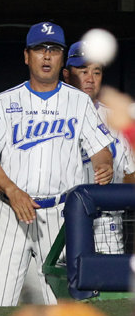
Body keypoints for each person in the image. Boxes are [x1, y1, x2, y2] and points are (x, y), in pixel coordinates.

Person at [0, 21, 114, 307]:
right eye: (39, 49)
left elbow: (101, 149)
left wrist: (104, 164)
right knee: (0, 302)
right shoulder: (4, 102)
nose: (46, 56)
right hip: (12, 210)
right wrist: (12, 191)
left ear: (62, 58)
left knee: (61, 304)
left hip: (59, 213)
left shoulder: (79, 102)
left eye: (54, 50)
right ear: (27, 56)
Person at [63, 41, 135, 254]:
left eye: (96, 72)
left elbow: (131, 172)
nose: (90, 79)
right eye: (83, 71)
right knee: (65, 284)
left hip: (107, 224)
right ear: (66, 75)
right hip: (64, 219)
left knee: (109, 284)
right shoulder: (54, 120)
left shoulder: (116, 120)